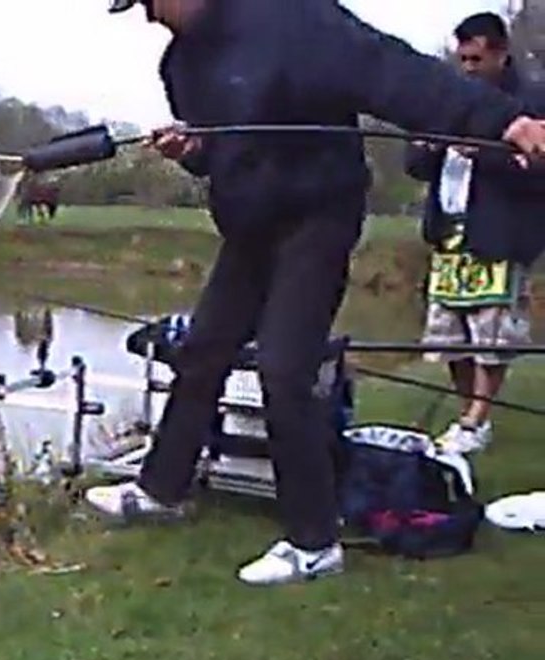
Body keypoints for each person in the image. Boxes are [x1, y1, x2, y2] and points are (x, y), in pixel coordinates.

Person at [84, 0, 545, 587]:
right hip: (250, 228)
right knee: (203, 351)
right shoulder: (180, 65)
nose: (150, 16)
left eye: (152, 1)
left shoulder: (292, 18)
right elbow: (223, 154)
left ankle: (313, 543)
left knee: (283, 368)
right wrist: (194, 153)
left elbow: (395, 72)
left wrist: (503, 121)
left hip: (318, 218)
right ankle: (161, 491)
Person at [406, 12, 545, 455]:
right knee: (452, 334)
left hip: (501, 233)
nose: (467, 68)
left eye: (476, 59)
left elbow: (537, 171)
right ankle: (468, 415)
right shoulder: (449, 95)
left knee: (492, 334)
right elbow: (414, 163)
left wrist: (482, 154)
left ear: (500, 53)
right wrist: (428, 146)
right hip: (450, 231)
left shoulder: (532, 101)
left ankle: (477, 418)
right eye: (461, 58)